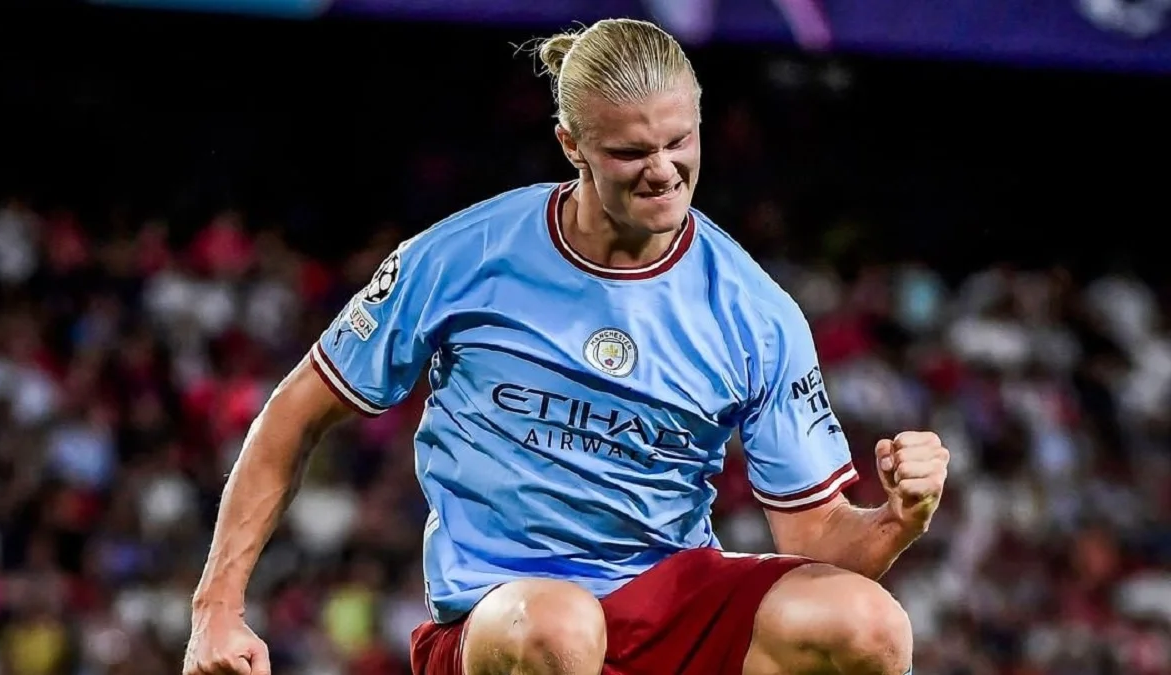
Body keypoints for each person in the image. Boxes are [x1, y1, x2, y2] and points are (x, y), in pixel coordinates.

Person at [182, 17, 950, 675]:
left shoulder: (755, 311)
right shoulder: (464, 256)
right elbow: (295, 413)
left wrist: (898, 516)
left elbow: (816, 537)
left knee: (869, 625)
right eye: (630, 153)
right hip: (505, 619)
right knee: (561, 626)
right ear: (571, 145)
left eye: (679, 141)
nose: (664, 171)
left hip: (666, 604)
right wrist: (217, 607)